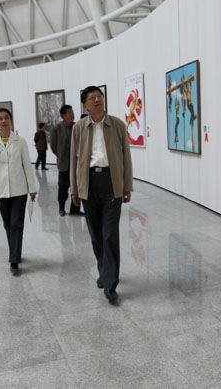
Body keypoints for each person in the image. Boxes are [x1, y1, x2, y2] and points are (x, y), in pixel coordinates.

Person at [70, 86, 133, 304]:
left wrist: (127, 185)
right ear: (84, 105)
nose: (97, 100)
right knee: (96, 235)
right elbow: (74, 160)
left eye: (100, 96)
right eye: (92, 98)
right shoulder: (79, 128)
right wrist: (75, 189)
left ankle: (110, 283)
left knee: (109, 234)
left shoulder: (117, 125)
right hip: (88, 183)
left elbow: (126, 157)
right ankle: (104, 271)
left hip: (111, 182)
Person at [0, 108, 37, 274]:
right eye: (0, 118)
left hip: (19, 190)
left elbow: (27, 166)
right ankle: (15, 252)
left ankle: (14, 258)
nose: (4, 121)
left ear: (11, 120)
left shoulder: (20, 141)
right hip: (1, 190)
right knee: (8, 224)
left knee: (16, 223)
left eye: (6, 117)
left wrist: (32, 188)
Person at [51, 105, 84, 217]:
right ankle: (61, 208)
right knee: (63, 188)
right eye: (69, 112)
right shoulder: (57, 128)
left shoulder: (77, 126)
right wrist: (61, 155)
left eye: (72, 112)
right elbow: (53, 146)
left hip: (77, 163)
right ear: (63, 115)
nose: (72, 114)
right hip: (64, 164)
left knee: (77, 187)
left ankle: (75, 209)